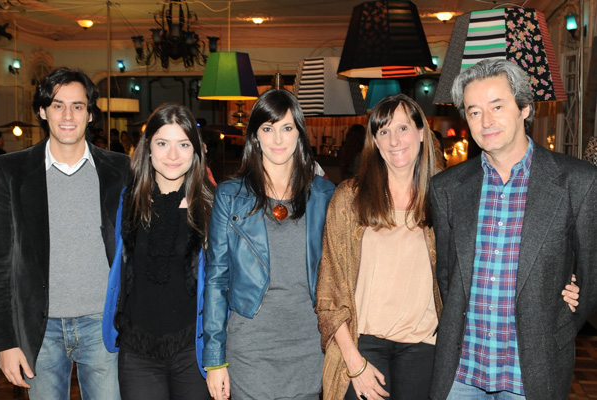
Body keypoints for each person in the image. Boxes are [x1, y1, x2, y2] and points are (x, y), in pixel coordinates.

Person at [429, 58, 597, 400]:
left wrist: (559, 323)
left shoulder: (577, 182)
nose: (485, 121)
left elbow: (591, 275)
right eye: (474, 111)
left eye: (497, 106)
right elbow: (447, 276)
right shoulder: (446, 188)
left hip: (534, 370)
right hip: (462, 370)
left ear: (524, 109)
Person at [0, 67, 129, 399]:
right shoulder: (9, 171)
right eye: (57, 105)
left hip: (104, 325)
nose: (68, 115)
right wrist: (6, 341)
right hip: (40, 330)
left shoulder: (121, 169)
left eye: (78, 106)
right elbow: (0, 264)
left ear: (90, 113)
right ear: (42, 111)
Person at [202, 89, 335, 400]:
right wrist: (214, 359)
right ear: (255, 137)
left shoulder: (325, 194)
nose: (278, 139)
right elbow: (216, 279)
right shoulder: (230, 195)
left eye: (287, 128)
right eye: (268, 128)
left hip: (308, 343)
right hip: (250, 345)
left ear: (300, 134)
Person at [317, 94, 443, 400]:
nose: (394, 140)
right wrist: (354, 363)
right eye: (383, 131)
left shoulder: (445, 198)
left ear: (421, 133)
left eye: (402, 128)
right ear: (374, 140)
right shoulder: (349, 198)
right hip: (363, 344)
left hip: (423, 347)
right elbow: (328, 292)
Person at [102, 103, 213, 399]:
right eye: (163, 143)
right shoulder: (127, 202)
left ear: (196, 151)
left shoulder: (211, 207)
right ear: (148, 148)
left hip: (194, 350)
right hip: (137, 350)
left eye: (183, 144)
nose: (173, 155)